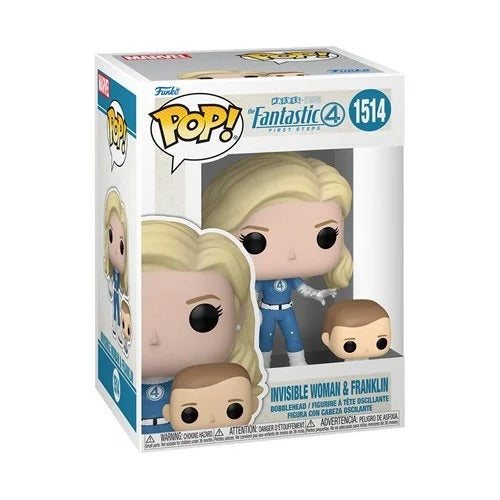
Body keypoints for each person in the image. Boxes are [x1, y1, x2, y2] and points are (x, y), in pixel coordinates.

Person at [203, 152, 352, 367]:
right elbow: (251, 296)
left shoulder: (291, 279)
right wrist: (244, 313)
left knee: (293, 336)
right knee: (264, 339)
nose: (291, 254)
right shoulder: (260, 282)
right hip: (267, 312)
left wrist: (320, 294)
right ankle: (263, 366)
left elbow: (304, 290)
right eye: (255, 241)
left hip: (287, 310)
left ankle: (298, 363)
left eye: (325, 236)